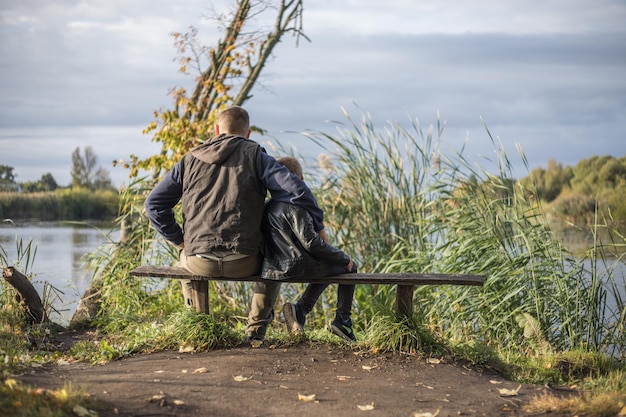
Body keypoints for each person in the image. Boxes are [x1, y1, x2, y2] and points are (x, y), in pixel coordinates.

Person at [144, 106, 327, 343]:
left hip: (199, 262)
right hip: (245, 261)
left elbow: (154, 205)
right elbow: (297, 190)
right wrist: (319, 228)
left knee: (183, 255)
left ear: (217, 129)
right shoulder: (258, 157)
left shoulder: (189, 160)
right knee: (274, 255)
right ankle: (256, 332)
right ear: (248, 133)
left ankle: (197, 324)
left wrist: (180, 240)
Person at [250, 156, 358, 342]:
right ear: (300, 180)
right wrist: (342, 258)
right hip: (296, 266)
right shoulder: (296, 205)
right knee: (348, 266)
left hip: (273, 268)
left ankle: (301, 310)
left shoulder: (268, 206)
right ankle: (341, 320)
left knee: (334, 263)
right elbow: (311, 243)